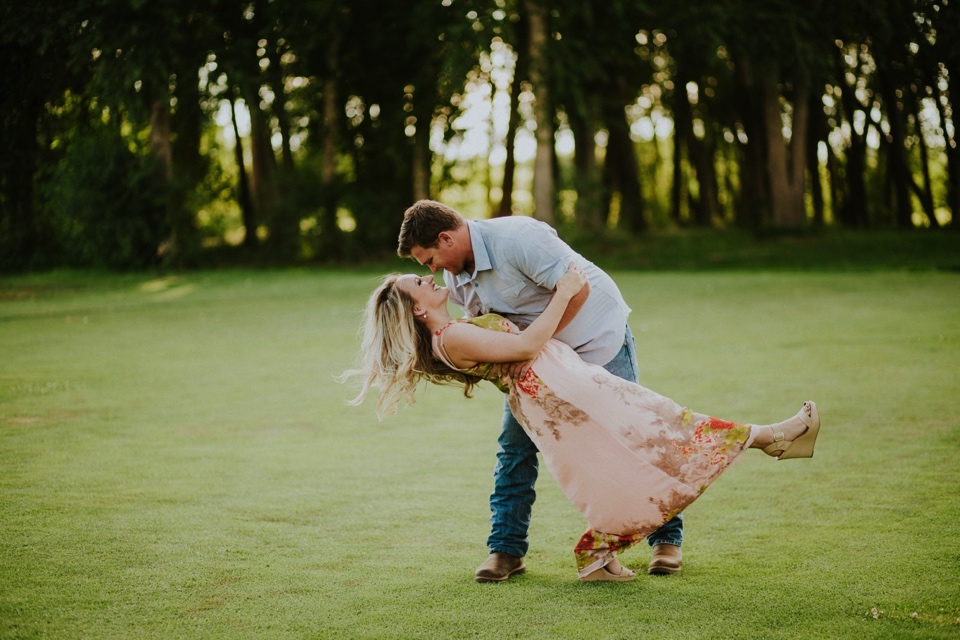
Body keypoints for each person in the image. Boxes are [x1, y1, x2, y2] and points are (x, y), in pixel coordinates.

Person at [340, 264, 821, 581]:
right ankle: (773, 438)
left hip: (557, 388)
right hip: (560, 389)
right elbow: (527, 347)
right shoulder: (453, 337)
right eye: (418, 284)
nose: (428, 279)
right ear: (419, 309)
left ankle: (597, 554)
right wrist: (566, 290)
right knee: (666, 425)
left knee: (618, 461)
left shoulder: (457, 326)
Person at [396, 200, 685, 581]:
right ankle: (506, 550)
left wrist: (533, 345)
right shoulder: (455, 279)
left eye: (429, 259)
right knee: (515, 448)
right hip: (538, 368)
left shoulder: (518, 237)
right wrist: (516, 353)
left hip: (597, 340)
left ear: (446, 238)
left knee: (634, 437)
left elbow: (576, 289)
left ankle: (666, 540)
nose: (432, 271)